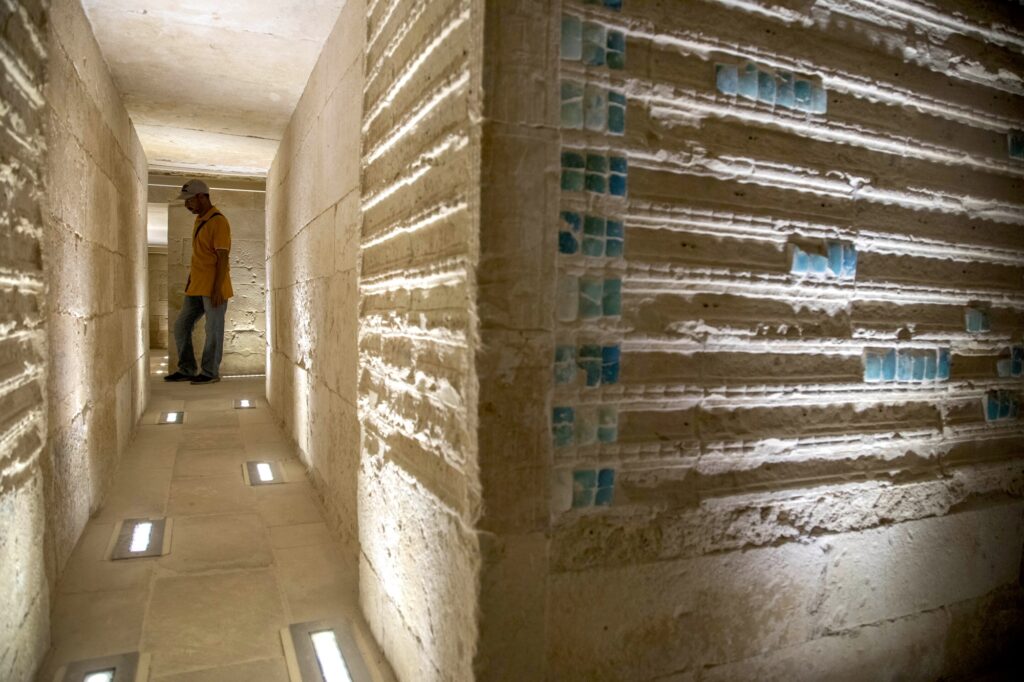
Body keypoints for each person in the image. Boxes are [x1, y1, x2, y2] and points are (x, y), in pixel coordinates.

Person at [164, 179, 233, 384]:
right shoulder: (200, 219)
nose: (187, 205)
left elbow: (222, 257)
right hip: (196, 285)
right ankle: (187, 368)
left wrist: (218, 287)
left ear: (202, 197)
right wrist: (189, 281)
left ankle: (210, 372)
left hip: (214, 286)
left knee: (213, 329)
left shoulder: (218, 221)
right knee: (181, 326)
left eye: (190, 200)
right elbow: (199, 256)